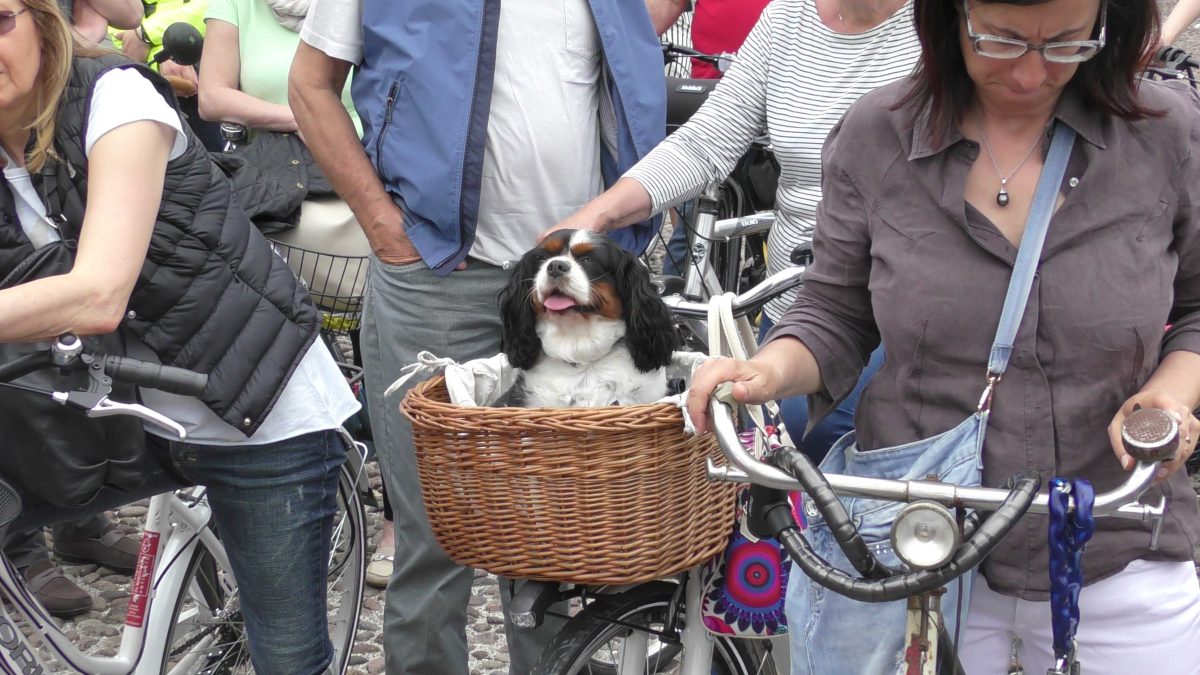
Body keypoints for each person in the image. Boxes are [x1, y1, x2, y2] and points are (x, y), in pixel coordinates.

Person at [684, 0, 1200, 671]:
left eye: (1068, 44)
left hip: (1116, 531)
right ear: (946, 17)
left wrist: (1171, 391)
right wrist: (766, 370)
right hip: (924, 540)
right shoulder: (879, 134)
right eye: (1001, 40)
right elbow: (836, 310)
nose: (1029, 74)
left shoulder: (1166, 135)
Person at [288, 0, 672, 671]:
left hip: (571, 287)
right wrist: (383, 226)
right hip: (436, 277)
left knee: (549, 533)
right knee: (434, 535)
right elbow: (309, 83)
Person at [0, 2, 359, 672]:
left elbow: (99, 291)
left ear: (42, 20)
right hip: (125, 411)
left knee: (285, 654)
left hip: (252, 397)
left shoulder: (116, 96)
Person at [547, 0, 920, 461]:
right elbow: (706, 142)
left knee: (840, 462)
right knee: (774, 463)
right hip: (798, 308)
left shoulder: (938, 27)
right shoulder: (788, 19)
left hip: (896, 321)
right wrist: (598, 215)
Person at [198, 0, 357, 134]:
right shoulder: (234, 3)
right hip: (278, 159)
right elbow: (211, 98)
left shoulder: (363, 5)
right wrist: (303, 121)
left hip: (370, 151)